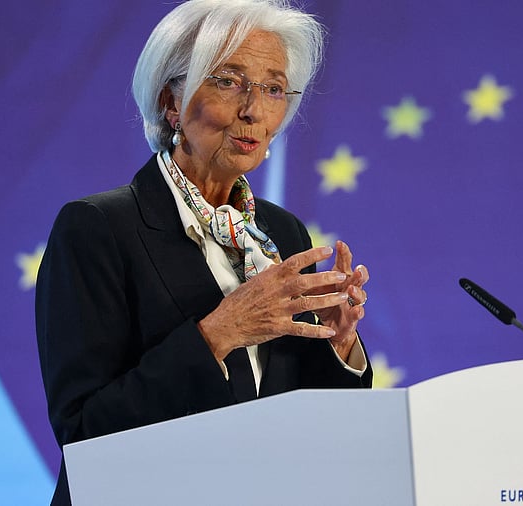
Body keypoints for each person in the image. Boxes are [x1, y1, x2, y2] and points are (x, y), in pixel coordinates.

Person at [35, 1, 372, 503]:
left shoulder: (281, 233)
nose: (254, 110)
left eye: (273, 89)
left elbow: (309, 424)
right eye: (229, 81)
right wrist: (218, 334)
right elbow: (85, 434)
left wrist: (338, 345)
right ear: (172, 102)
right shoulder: (97, 227)